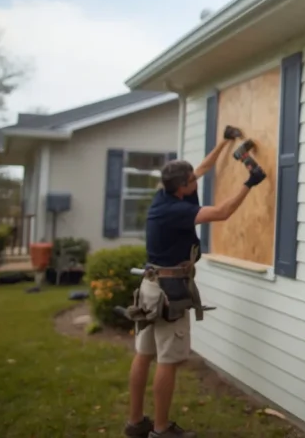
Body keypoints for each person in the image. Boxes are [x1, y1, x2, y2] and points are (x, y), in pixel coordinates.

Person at [123, 126, 267, 438]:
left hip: (150, 287)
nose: (196, 180)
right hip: (168, 292)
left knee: (144, 354)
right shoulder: (174, 210)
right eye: (191, 181)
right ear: (181, 187)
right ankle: (161, 430)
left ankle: (135, 423)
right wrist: (250, 182)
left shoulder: (166, 193)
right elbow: (222, 212)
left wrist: (224, 143)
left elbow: (201, 167)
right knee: (167, 360)